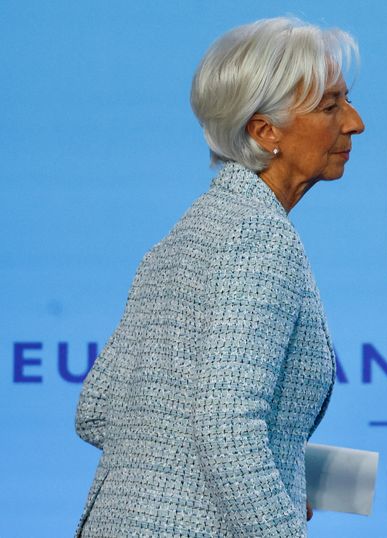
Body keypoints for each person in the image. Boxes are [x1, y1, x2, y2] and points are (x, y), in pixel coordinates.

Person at [73, 17, 364, 537]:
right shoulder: (257, 237)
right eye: (330, 106)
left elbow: (97, 410)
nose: (354, 121)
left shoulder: (184, 236)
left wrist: (279, 478)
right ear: (264, 130)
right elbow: (227, 433)